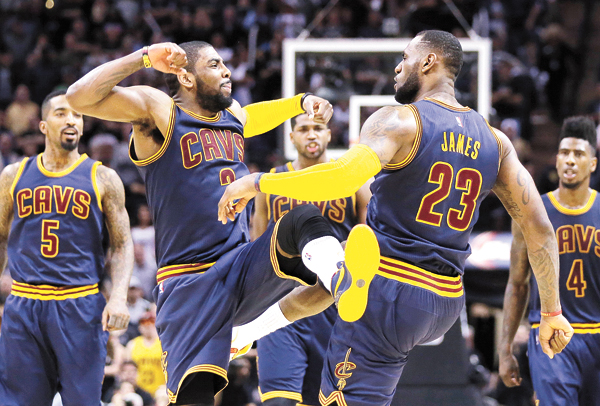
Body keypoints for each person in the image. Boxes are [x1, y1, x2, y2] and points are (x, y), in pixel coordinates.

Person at [217, 30, 574, 406]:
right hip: (444, 301)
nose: (396, 66)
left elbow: (343, 176)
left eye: (405, 57)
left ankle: (269, 317)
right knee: (340, 269)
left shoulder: (401, 122)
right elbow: (540, 228)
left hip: (391, 289)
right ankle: (247, 333)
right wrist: (552, 310)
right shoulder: (495, 141)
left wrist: (259, 181)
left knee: (319, 237)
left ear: (428, 62)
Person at [66, 41, 376, 405]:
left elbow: (256, 115)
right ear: (186, 76)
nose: (227, 71)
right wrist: (144, 57)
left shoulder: (233, 117)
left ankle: (338, 277)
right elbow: (79, 98)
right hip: (188, 282)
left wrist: (300, 102)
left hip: (239, 268)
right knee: (195, 397)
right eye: (215, 65)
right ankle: (259, 324)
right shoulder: (161, 111)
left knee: (302, 220)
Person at [0, 89, 134, 405]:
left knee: (83, 402)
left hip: (80, 305)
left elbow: (123, 243)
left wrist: (118, 297)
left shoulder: (103, 177)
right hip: (24, 303)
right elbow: (1, 238)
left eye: (77, 115)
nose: (71, 120)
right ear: (43, 125)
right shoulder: (13, 175)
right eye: (61, 113)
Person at [253, 113, 372, 406]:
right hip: (280, 303)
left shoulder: (353, 182)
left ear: (329, 135)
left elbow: (370, 244)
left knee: (325, 400)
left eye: (318, 128)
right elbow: (256, 250)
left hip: (332, 305)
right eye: (303, 129)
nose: (311, 135)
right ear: (291, 137)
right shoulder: (271, 182)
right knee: (278, 402)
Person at [499, 116, 600, 406]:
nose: (570, 160)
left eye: (579, 154)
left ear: (592, 163)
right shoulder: (532, 212)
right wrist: (505, 350)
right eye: (564, 153)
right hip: (550, 335)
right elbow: (517, 284)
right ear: (555, 160)